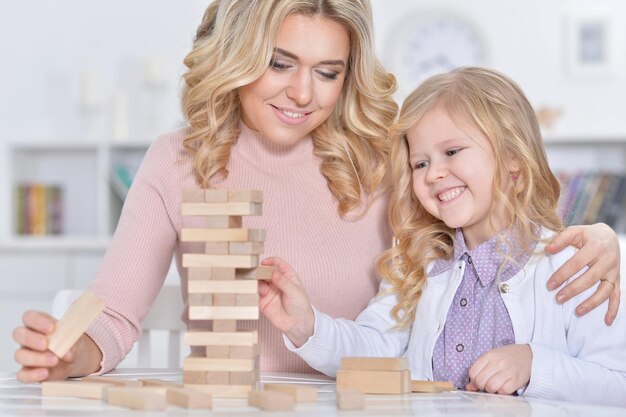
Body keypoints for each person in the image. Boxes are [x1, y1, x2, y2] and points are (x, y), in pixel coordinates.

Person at [13, 1, 620, 384]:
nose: (304, 93)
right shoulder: (177, 162)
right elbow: (115, 313)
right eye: (280, 64)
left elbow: (487, 226)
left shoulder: (393, 158)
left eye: (329, 72)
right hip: (232, 403)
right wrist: (73, 355)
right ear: (236, 57)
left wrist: (599, 235)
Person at [260, 67, 626, 406]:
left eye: (452, 152)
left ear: (513, 158)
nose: (433, 173)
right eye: (420, 163)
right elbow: (374, 349)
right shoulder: (417, 263)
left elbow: (616, 385)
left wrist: (535, 366)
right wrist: (306, 325)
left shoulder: (575, 265)